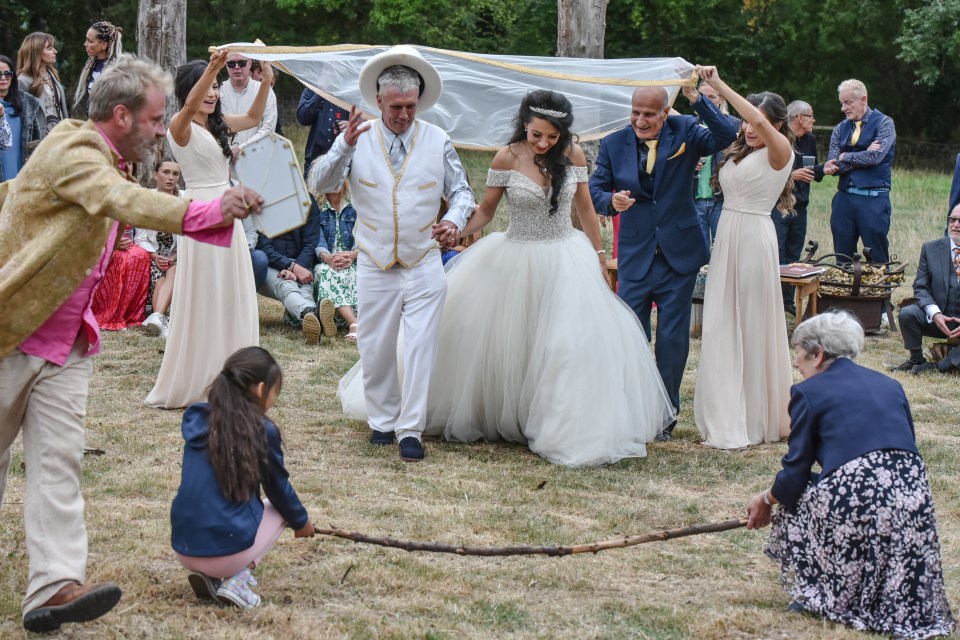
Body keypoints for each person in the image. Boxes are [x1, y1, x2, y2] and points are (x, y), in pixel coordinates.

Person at [0, 54, 263, 633]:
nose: (158, 129)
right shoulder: (76, 152)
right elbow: (125, 203)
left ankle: (54, 586)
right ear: (121, 115)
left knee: (59, 462)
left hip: (67, 343)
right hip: (13, 330)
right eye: (152, 119)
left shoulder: (109, 157)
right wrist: (211, 208)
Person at [339, 90, 676, 466]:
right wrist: (455, 229)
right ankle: (475, 413)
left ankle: (558, 422)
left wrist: (598, 253)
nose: (544, 143)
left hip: (566, 257)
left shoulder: (574, 155)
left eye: (552, 136)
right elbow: (485, 210)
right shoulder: (507, 157)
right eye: (537, 135)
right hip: (514, 255)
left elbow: (583, 207)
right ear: (524, 126)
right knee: (505, 342)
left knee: (565, 345)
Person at [308, 46, 476, 461]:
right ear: (378, 101)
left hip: (423, 261)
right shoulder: (355, 139)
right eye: (396, 106)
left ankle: (410, 429)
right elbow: (318, 181)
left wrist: (454, 220)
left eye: (410, 106)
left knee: (421, 346)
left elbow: (462, 192)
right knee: (376, 345)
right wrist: (342, 147)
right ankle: (382, 420)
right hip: (375, 260)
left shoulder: (437, 139)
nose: (403, 114)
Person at [745, 311, 955, 638]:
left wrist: (765, 499)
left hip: (861, 493)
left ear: (818, 355)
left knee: (794, 497)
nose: (796, 363)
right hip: (914, 495)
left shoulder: (808, 393)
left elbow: (794, 475)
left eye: (798, 353)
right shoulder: (891, 384)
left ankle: (824, 590)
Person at [589, 76, 739, 440]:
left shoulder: (685, 129)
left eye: (649, 115)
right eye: (635, 113)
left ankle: (666, 413)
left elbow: (727, 134)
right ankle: (635, 408)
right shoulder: (612, 143)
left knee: (672, 339)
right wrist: (610, 202)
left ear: (665, 112)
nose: (640, 121)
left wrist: (698, 101)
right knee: (632, 335)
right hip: (636, 255)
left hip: (679, 255)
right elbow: (594, 187)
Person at [146, 51, 273, 409]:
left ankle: (234, 375)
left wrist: (265, 84)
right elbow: (187, 107)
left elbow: (252, 116)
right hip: (201, 212)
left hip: (228, 211)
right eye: (208, 87)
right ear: (191, 90)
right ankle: (200, 376)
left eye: (216, 87)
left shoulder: (218, 125)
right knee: (207, 291)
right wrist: (213, 66)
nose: (214, 93)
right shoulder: (179, 126)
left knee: (231, 290)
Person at [170, 346, 316, 609]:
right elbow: (278, 489)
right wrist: (301, 522)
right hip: (223, 553)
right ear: (261, 389)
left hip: (183, 546)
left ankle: (214, 578)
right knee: (276, 509)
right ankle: (236, 578)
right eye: (275, 392)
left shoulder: (199, 418)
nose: (274, 399)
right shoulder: (262, 430)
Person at [694, 71, 794, 450]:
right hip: (728, 237)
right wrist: (696, 94)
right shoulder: (742, 149)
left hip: (754, 238)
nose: (749, 128)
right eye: (747, 123)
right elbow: (741, 123)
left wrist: (719, 87)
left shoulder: (780, 151)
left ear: (776, 125)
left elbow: (753, 119)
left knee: (750, 322)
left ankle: (756, 415)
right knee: (723, 320)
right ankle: (726, 408)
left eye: (758, 122)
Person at [823, 79, 896, 263]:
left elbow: (876, 157)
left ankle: (880, 292)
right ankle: (845, 292)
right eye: (841, 103)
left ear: (863, 99)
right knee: (842, 258)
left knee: (876, 258)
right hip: (844, 199)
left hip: (873, 199)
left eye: (848, 102)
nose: (843, 108)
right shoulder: (840, 128)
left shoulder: (885, 124)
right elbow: (834, 166)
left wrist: (845, 156)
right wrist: (862, 155)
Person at [893, 206, 960, 374]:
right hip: (939, 319)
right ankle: (916, 359)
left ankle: (941, 366)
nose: (956, 225)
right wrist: (935, 314)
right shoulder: (930, 248)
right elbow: (920, 286)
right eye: (952, 219)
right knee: (907, 314)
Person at [777, 100, 824, 314]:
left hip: (801, 206)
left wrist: (825, 168)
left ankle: (788, 302)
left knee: (794, 256)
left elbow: (811, 170)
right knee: (777, 253)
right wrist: (791, 176)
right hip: (780, 204)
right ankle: (773, 301)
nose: (814, 120)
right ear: (799, 118)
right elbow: (767, 170)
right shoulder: (779, 138)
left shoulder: (810, 139)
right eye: (811, 116)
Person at [255, 203, 325, 344]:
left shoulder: (308, 202)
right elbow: (265, 247)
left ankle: (312, 324)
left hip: (302, 263)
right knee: (286, 285)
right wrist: (289, 266)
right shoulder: (264, 203)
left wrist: (297, 267)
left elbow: (310, 243)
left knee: (305, 289)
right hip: (270, 264)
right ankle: (312, 314)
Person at [139, 158, 183, 339]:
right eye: (166, 172)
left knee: (173, 270)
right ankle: (161, 318)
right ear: (155, 175)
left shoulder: (185, 199)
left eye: (175, 174)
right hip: (153, 257)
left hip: (178, 256)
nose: (170, 177)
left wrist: (173, 257)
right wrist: (155, 257)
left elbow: (190, 236)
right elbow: (140, 237)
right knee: (159, 277)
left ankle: (157, 317)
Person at [693, 82, 739, 250]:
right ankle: (701, 278)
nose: (706, 101)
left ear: (721, 99)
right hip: (696, 197)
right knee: (700, 249)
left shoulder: (734, 125)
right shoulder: (690, 124)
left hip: (722, 196)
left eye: (711, 97)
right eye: (702, 97)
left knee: (722, 247)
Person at [313, 184, 359, 341]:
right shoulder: (317, 208)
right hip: (326, 259)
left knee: (354, 273)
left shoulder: (356, 204)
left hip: (352, 258)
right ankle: (353, 322)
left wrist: (352, 255)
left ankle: (345, 320)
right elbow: (316, 238)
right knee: (324, 272)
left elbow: (365, 234)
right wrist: (328, 258)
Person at [90, 223, 151, 329]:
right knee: (119, 257)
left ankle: (128, 313)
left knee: (141, 255)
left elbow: (139, 237)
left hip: (124, 243)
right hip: (98, 246)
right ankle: (107, 311)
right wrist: (110, 244)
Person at [219, 52, 277, 161]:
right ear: (225, 65)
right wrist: (227, 150)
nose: (237, 67)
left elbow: (268, 128)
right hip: (223, 159)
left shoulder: (265, 91)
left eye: (241, 63)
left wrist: (242, 149)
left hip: (257, 158)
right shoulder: (218, 91)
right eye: (231, 64)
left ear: (250, 63)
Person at [0, 54, 46, 181]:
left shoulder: (28, 103)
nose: (3, 78)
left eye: (7, 74)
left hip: (22, 171)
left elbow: (37, 140)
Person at [17, 32, 69, 130]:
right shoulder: (23, 80)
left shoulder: (52, 75)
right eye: (49, 48)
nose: (55, 51)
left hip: (60, 133)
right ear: (36, 52)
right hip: (40, 139)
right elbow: (22, 117)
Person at [73, 21, 122, 121]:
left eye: (90, 41)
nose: (85, 44)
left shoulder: (115, 71)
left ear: (103, 45)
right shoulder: (91, 66)